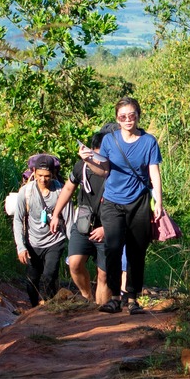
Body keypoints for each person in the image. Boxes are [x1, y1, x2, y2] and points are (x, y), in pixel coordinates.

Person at [96, 98, 163, 315]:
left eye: (131, 115)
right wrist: (89, 159)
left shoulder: (149, 141)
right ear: (117, 118)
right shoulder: (109, 140)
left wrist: (159, 201)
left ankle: (132, 298)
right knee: (113, 248)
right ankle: (114, 297)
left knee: (137, 251)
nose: (127, 120)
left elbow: (154, 172)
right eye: (122, 116)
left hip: (139, 202)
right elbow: (103, 170)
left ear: (138, 115)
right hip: (113, 201)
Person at [66, 120, 118, 303]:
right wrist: (56, 214)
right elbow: (68, 189)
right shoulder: (82, 166)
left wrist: (106, 228)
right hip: (84, 223)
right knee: (74, 263)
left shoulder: (119, 171)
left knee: (104, 274)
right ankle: (87, 297)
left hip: (109, 227)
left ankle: (101, 311)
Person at [12, 153, 70, 307]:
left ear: (53, 174)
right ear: (34, 173)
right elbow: (17, 220)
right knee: (32, 280)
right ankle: (34, 309)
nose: (43, 179)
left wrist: (74, 250)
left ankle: (52, 306)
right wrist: (21, 246)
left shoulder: (61, 191)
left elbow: (69, 219)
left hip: (55, 240)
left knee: (49, 275)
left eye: (47, 176)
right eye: (40, 175)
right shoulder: (26, 192)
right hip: (33, 242)